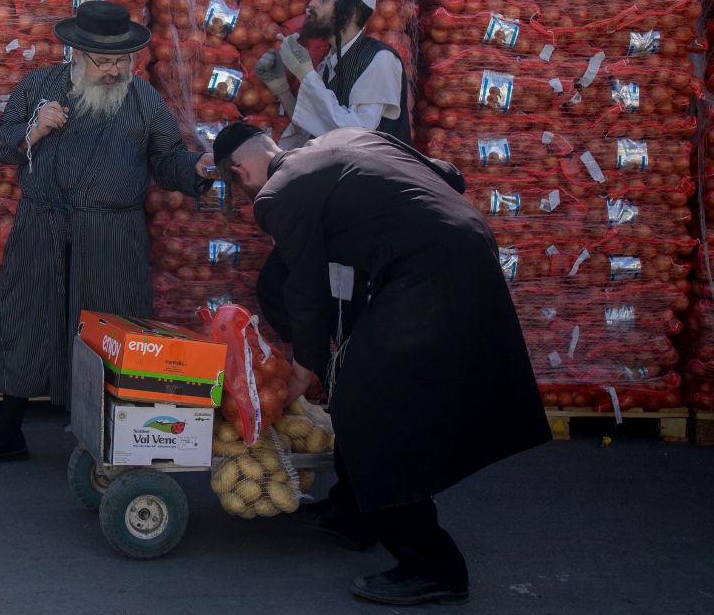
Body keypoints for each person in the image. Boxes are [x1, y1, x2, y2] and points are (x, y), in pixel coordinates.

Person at [211, 122, 550, 606]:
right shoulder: (348, 137)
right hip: (467, 241)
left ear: (242, 170)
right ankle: (353, 513)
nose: (248, 198)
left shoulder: (277, 194)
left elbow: (304, 287)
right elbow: (447, 175)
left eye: (241, 188)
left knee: (373, 405)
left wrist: (306, 367)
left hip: (429, 273)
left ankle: (434, 566)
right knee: (356, 385)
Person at [0, 0, 215, 466]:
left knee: (108, 335)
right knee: (27, 324)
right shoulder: (40, 86)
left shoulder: (143, 99)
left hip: (111, 236)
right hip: (42, 227)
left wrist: (194, 165)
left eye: (122, 61)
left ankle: (112, 444)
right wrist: (34, 129)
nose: (114, 71)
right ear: (74, 53)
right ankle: (8, 433)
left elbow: (168, 156)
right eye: (103, 61)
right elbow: (1, 144)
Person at [254, 0, 410, 147]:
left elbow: (356, 137)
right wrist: (280, 87)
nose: (312, 4)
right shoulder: (330, 61)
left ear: (351, 12)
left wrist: (305, 74)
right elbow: (314, 129)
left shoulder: (380, 59)